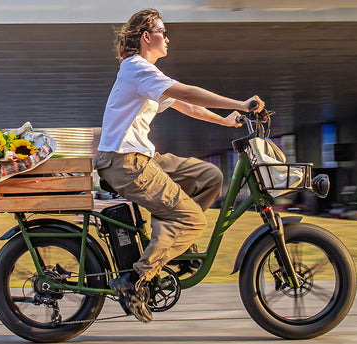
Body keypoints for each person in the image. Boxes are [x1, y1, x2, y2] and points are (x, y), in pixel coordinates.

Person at [94, 8, 264, 323]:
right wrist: (240, 104)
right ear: (147, 37)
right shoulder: (137, 69)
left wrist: (225, 121)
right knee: (193, 219)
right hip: (124, 161)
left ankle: (172, 236)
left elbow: (185, 104)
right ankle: (134, 281)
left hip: (142, 157)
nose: (168, 38)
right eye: (163, 31)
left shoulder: (144, 74)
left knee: (209, 176)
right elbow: (186, 91)